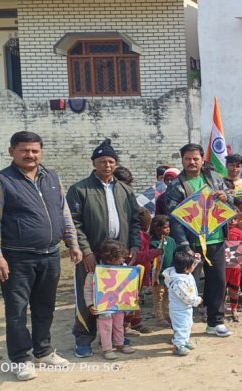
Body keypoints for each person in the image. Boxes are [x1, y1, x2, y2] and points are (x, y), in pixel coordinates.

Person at [0, 131, 82, 381]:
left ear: (41, 152)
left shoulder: (51, 177)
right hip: (16, 258)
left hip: (50, 256)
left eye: (35, 150)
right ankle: (20, 359)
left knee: (45, 307)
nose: (30, 155)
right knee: (16, 310)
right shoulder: (0, 181)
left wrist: (73, 242)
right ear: (11, 152)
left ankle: (44, 350)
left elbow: (63, 212)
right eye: (24, 150)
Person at [67, 139, 145, 358]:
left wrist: (135, 246)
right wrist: (86, 251)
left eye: (111, 161)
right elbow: (73, 223)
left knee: (117, 298)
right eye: (102, 161)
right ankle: (84, 339)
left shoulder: (125, 190)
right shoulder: (80, 189)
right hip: (91, 254)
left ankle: (116, 339)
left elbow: (135, 221)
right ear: (94, 163)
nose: (107, 165)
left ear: (116, 164)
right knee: (89, 298)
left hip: (118, 256)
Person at [165, 143, 233, 338]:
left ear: (202, 159)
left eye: (196, 158)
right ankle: (182, 328)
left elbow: (230, 199)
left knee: (218, 281)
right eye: (188, 159)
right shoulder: (176, 186)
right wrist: (184, 245)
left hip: (216, 239)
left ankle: (216, 322)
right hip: (191, 243)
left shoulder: (214, 177)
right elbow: (175, 218)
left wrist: (225, 196)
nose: (192, 162)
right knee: (187, 284)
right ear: (182, 161)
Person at [84, 240, 137, 361]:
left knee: (119, 324)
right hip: (103, 305)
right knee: (105, 326)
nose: (122, 260)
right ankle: (107, 349)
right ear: (109, 259)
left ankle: (119, 344)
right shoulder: (96, 271)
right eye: (119, 258)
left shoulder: (124, 269)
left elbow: (129, 284)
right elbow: (87, 289)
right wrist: (90, 304)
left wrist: (131, 299)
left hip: (118, 304)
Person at [164, 251, 201, 356]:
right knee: (181, 327)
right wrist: (197, 300)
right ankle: (178, 345)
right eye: (192, 265)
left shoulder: (184, 273)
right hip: (179, 309)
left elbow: (192, 264)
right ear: (186, 268)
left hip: (185, 308)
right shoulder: (178, 281)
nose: (194, 267)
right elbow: (186, 297)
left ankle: (184, 341)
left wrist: (196, 258)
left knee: (188, 325)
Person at [150, 215, 176, 328]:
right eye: (165, 227)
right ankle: (159, 318)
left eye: (168, 227)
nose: (168, 229)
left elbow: (174, 256)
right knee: (158, 297)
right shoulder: (153, 243)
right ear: (157, 228)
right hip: (158, 276)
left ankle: (167, 316)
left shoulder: (171, 241)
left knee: (167, 296)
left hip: (169, 275)